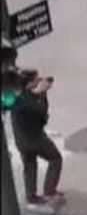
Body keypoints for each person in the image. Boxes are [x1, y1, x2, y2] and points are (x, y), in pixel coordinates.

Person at [12, 70, 64, 204]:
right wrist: (42, 92)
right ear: (29, 83)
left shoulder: (19, 96)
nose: (38, 82)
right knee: (55, 158)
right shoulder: (27, 99)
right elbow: (41, 110)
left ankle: (31, 196)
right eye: (36, 80)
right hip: (34, 139)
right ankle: (49, 190)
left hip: (21, 140)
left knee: (29, 165)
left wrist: (40, 93)